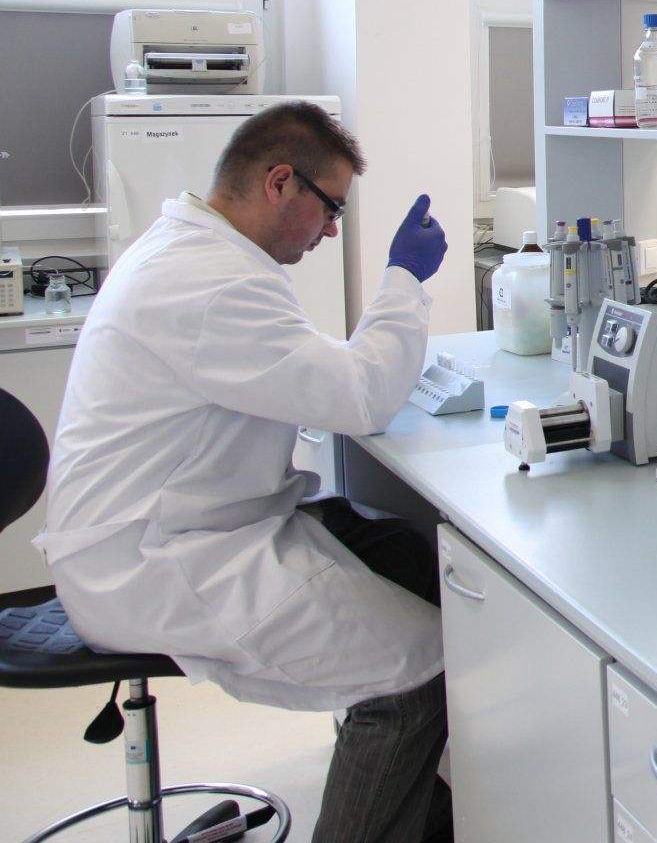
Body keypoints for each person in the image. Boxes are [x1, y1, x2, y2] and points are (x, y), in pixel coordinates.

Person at [37, 101, 452, 843]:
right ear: (280, 182)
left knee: (403, 556)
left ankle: (418, 812)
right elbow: (358, 398)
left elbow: (303, 370)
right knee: (419, 674)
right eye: (331, 208)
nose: (331, 230)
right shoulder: (211, 282)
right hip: (158, 562)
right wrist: (403, 281)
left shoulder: (194, 250)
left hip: (189, 524)